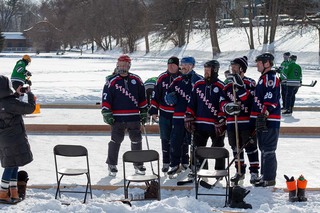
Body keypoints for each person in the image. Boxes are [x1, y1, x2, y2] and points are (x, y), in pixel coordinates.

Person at [101, 55, 148, 177]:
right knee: (115, 140)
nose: (122, 67)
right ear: (117, 65)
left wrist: (144, 111)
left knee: (137, 139)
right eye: (120, 65)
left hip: (134, 116)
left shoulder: (136, 80)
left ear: (129, 65)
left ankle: (138, 164)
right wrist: (106, 112)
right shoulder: (111, 81)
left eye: (125, 65)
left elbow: (142, 98)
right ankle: (112, 165)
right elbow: (106, 98)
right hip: (117, 118)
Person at [221, 56, 260, 185]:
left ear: (242, 68)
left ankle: (254, 172)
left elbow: (251, 102)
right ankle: (239, 171)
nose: (232, 69)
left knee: (250, 147)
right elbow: (221, 101)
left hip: (246, 122)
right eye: (231, 67)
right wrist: (227, 106)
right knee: (235, 147)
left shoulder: (250, 83)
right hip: (232, 122)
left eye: (235, 67)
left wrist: (240, 88)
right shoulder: (227, 84)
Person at [185, 60, 226, 174]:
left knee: (218, 148)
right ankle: (201, 171)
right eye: (205, 70)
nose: (206, 72)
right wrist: (189, 115)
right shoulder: (198, 85)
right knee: (198, 149)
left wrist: (221, 120)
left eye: (208, 70)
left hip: (215, 125)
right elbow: (192, 102)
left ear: (215, 70)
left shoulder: (221, 86)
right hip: (200, 124)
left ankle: (220, 172)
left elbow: (224, 105)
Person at [164, 56, 202, 176]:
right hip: (178, 116)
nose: (183, 66)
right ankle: (174, 164)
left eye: (186, 64)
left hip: (194, 117)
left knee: (195, 142)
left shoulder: (198, 80)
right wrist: (169, 98)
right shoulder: (176, 81)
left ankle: (195, 166)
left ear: (193, 66)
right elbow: (168, 96)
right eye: (182, 64)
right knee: (175, 141)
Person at [0, 75, 35, 202]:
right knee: (10, 167)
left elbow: (6, 103)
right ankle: (3, 193)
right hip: (14, 139)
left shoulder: (5, 102)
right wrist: (30, 94)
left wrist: (16, 94)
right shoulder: (10, 103)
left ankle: (14, 193)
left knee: (14, 165)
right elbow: (30, 108)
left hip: (3, 139)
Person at [250, 53, 281, 187]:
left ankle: (269, 178)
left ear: (267, 63)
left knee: (268, 149)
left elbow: (271, 97)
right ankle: (264, 176)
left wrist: (265, 112)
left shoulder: (271, 78)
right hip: (263, 118)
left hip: (270, 119)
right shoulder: (263, 78)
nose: (257, 64)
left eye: (259, 62)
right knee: (263, 148)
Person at [148, 56, 181, 173]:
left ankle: (178, 163)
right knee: (165, 139)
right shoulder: (162, 78)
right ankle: (166, 162)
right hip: (165, 114)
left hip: (179, 114)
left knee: (178, 139)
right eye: (169, 65)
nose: (171, 67)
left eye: (173, 65)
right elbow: (155, 96)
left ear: (178, 66)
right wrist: (153, 111)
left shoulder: (183, 77)